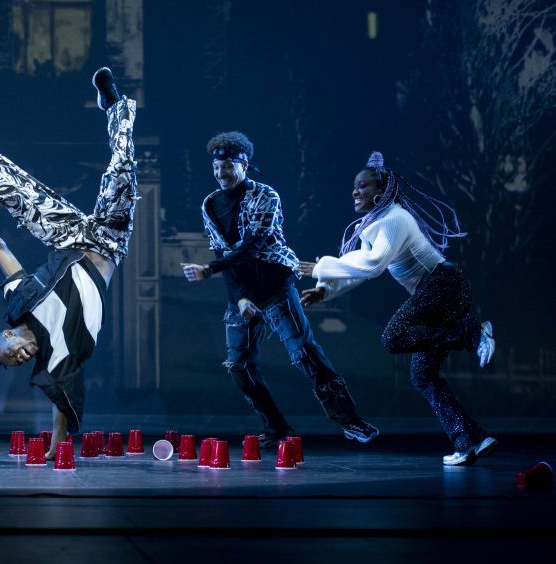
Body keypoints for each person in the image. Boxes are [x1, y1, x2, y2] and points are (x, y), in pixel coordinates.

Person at [0, 67, 136, 459]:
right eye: (15, 361)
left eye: (10, 351)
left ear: (10, 333)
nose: (18, 358)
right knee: (121, 169)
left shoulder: (20, 299)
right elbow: (60, 405)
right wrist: (55, 449)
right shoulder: (58, 359)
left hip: (69, 238)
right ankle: (115, 107)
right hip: (109, 243)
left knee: (20, 195)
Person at [180, 131, 379, 450]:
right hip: (241, 289)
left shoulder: (266, 196)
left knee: (304, 352)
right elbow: (223, 253)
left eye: (228, 166)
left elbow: (252, 245)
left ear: (244, 164)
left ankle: (350, 421)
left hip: (273, 283)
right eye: (216, 168)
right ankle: (276, 427)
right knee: (239, 366)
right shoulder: (210, 204)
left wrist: (208, 271)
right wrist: (241, 297)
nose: (221, 174)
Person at [299, 151, 497, 466]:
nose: (354, 192)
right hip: (436, 293)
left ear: (380, 192)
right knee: (423, 376)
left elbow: (374, 264)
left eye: (361, 186)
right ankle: (471, 439)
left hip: (443, 287)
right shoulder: (375, 223)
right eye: (354, 186)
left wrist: (318, 266)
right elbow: (359, 266)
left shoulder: (394, 218)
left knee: (393, 337)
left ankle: (472, 333)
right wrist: (324, 289)